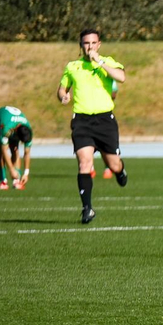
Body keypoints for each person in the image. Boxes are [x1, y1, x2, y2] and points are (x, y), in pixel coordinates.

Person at [57, 28, 128, 225]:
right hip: (82, 121)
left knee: (113, 164)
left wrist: (101, 62)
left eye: (93, 43)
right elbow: (62, 87)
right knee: (84, 163)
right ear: (81, 46)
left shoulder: (108, 62)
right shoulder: (73, 66)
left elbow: (121, 77)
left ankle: (120, 171)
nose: (90, 47)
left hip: (105, 121)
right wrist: (63, 95)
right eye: (86, 43)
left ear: (99, 45)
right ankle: (87, 209)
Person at [0, 105, 33, 190]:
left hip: (12, 125)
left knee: (15, 149)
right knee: (0, 150)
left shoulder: (28, 129)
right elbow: (5, 150)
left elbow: (27, 152)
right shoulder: (6, 128)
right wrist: (11, 169)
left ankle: (16, 180)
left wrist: (26, 173)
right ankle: (3, 181)